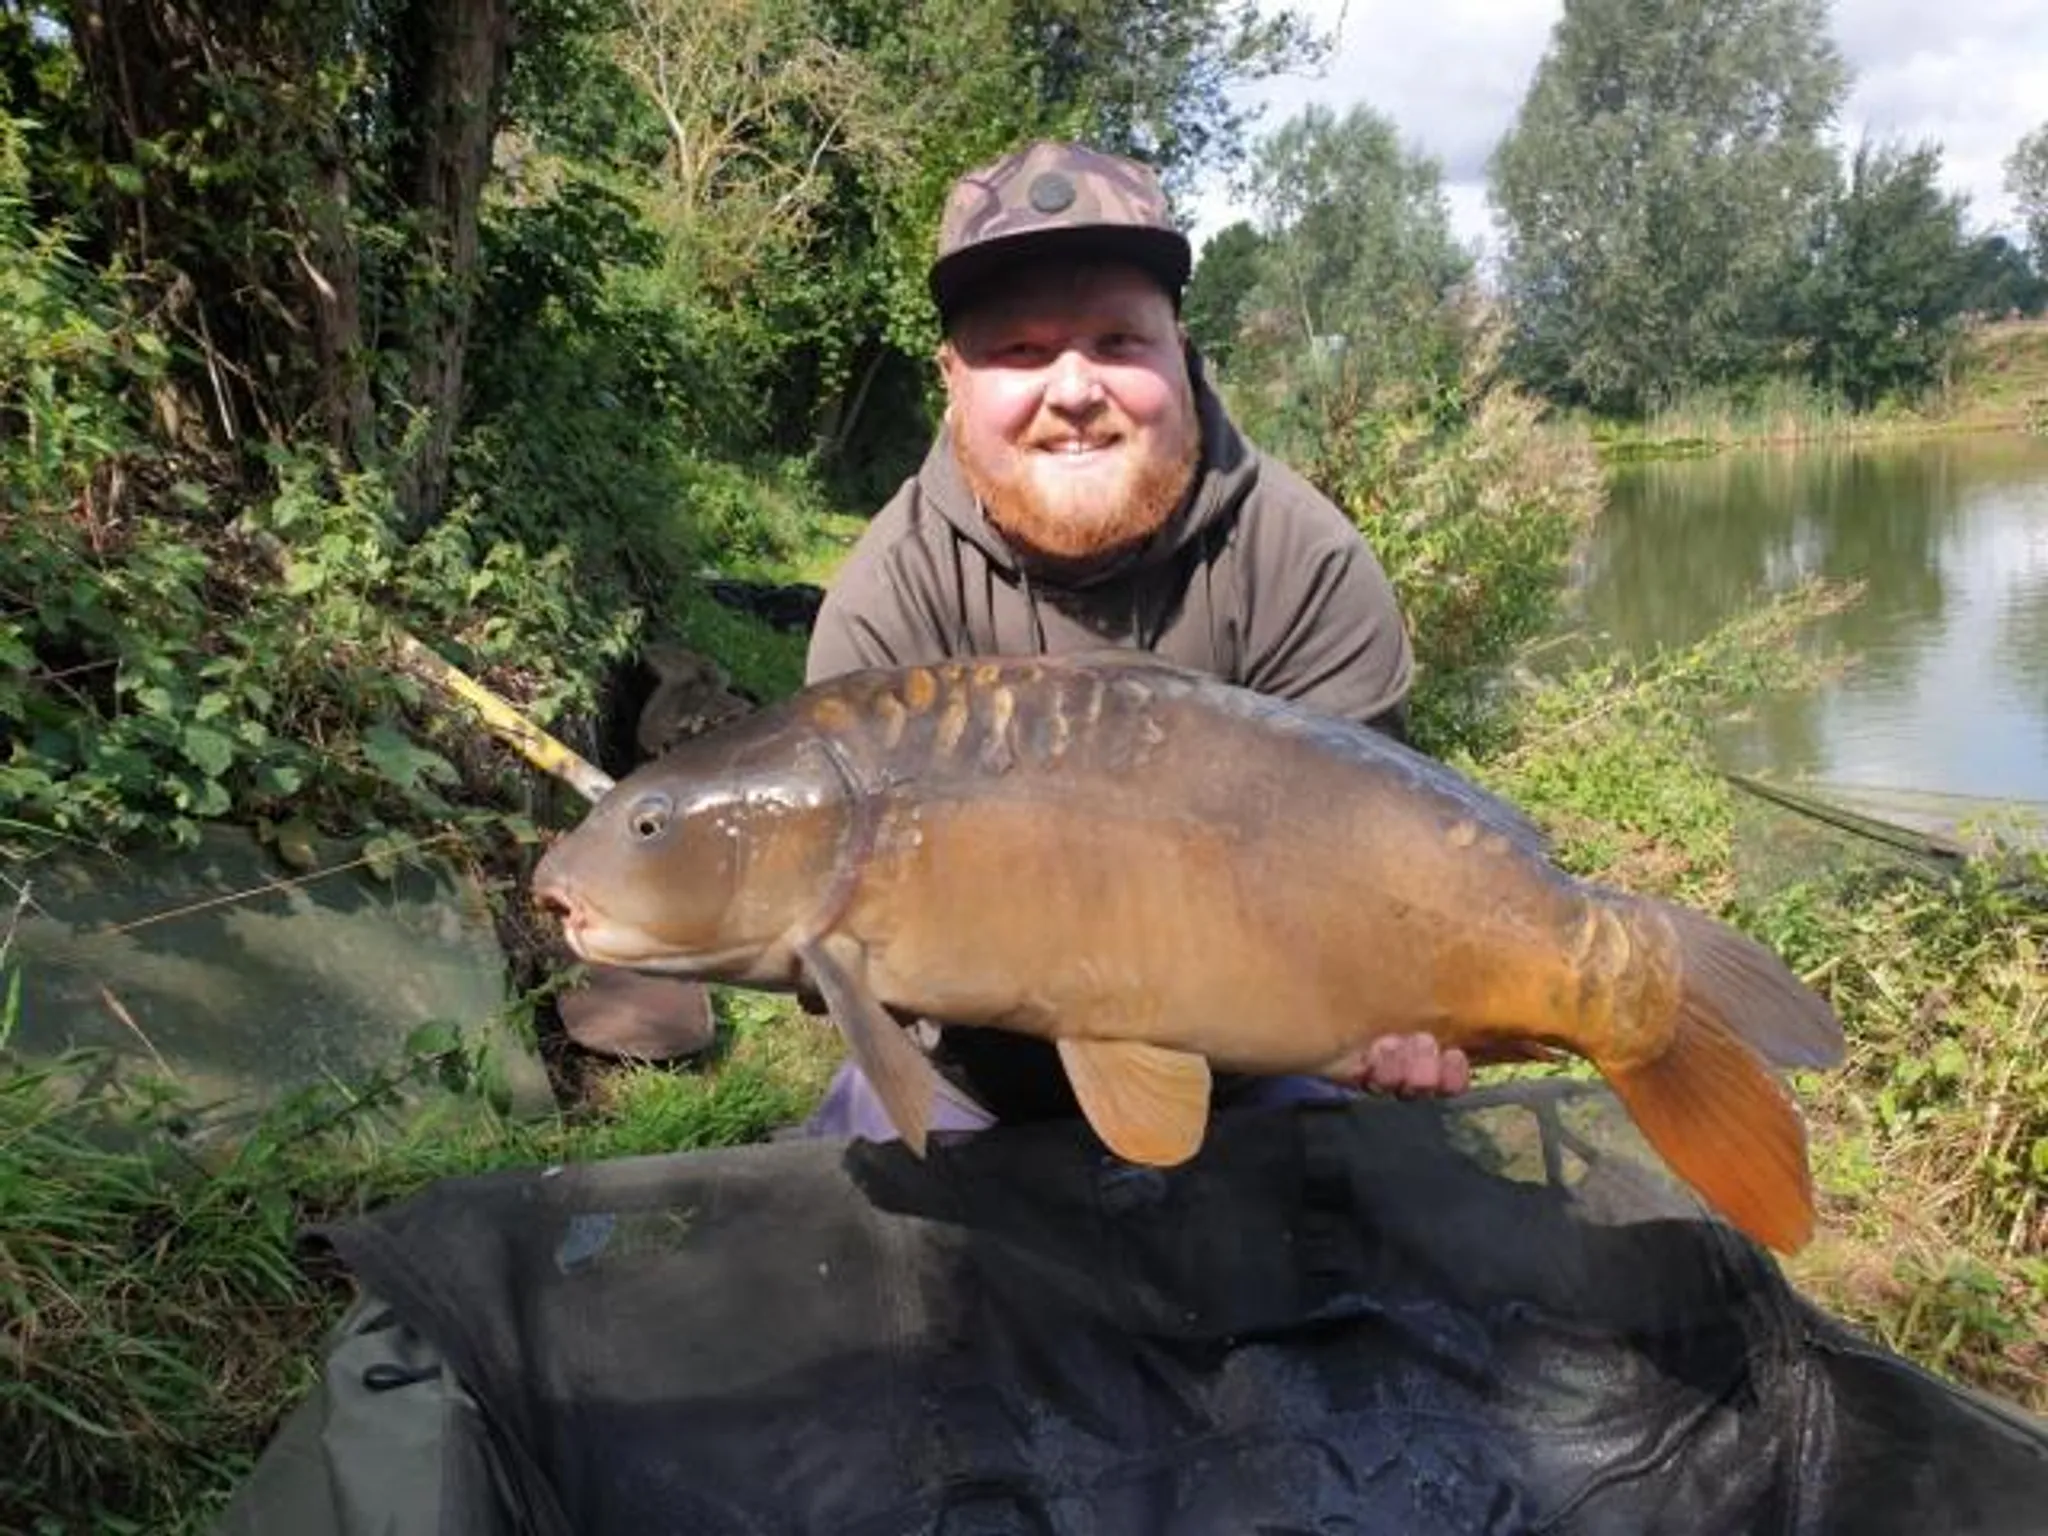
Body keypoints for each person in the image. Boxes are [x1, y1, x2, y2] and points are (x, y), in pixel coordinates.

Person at [801, 139, 1468, 1141]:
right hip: (976, 1082)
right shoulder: (887, 599)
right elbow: (838, 951)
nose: (1072, 388)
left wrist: (1400, 1009)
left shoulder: (1302, 560)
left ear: (1180, 352)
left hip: (1261, 1066)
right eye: (1020, 352)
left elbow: (1371, 861)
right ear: (951, 380)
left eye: (1117, 342)